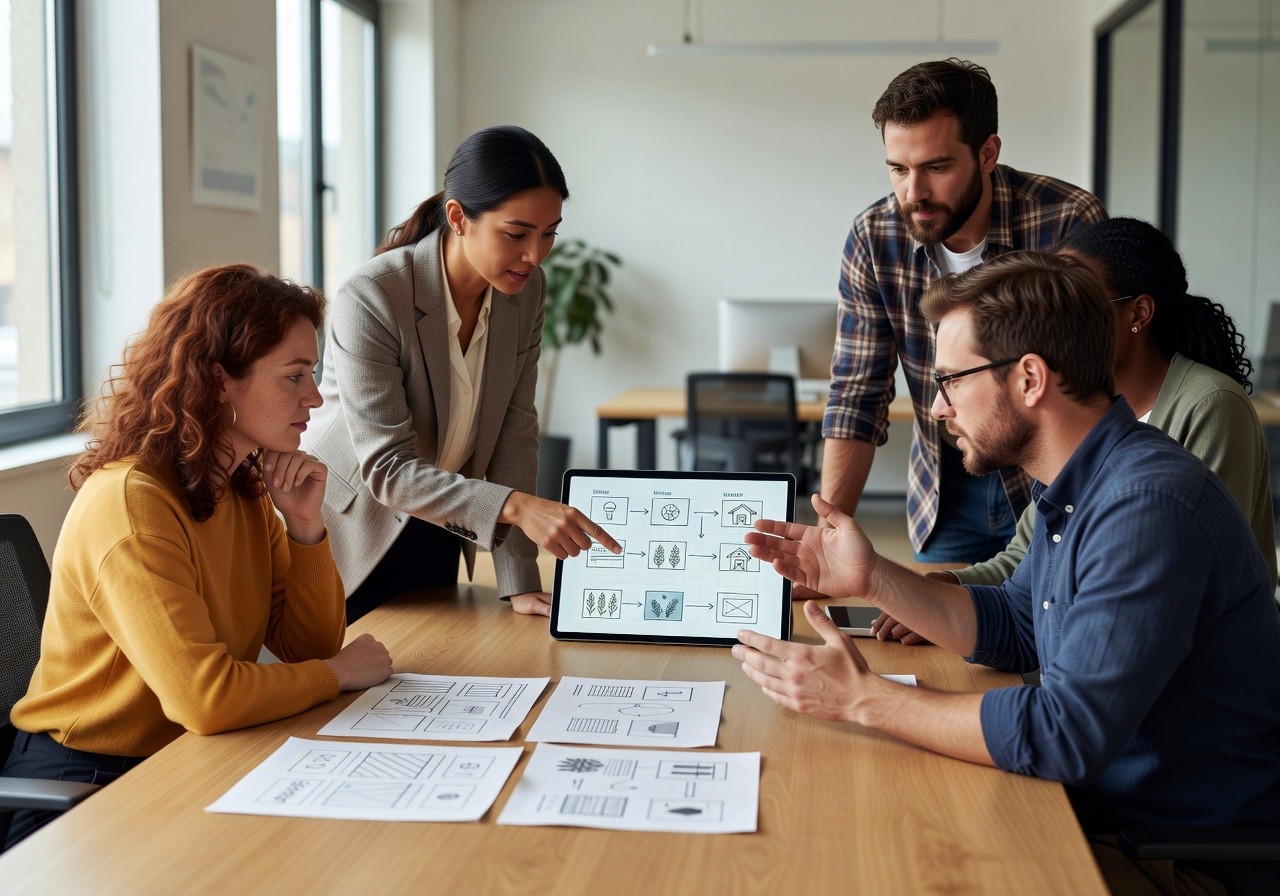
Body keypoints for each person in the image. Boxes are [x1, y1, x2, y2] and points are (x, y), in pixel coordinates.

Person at [736, 252, 1280, 895]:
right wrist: (873, 576)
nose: (938, 410)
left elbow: (1064, 733)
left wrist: (862, 699)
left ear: (1029, 378)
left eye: (951, 382)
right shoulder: (1086, 481)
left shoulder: (1147, 506)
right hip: (1093, 814)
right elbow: (1017, 624)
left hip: (1173, 857)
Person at [2, 265, 393, 849]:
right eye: (295, 376)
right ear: (217, 381)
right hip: (83, 786)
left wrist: (305, 528)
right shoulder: (132, 503)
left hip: (182, 758)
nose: (314, 397)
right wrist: (335, 676)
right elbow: (206, 699)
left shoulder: (242, 485)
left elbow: (307, 648)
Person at [880, 217, 1277, 643]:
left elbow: (1172, 593)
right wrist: (943, 592)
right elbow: (1027, 567)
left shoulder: (1207, 407)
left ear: (1138, 314)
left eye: (1081, 297)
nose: (1062, 312)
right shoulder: (1081, 421)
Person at [306, 125, 620, 622]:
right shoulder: (374, 296)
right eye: (516, 234)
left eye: (549, 233)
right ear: (458, 217)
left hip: (443, 519)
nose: (535, 255)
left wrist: (518, 579)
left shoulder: (526, 293)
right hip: (351, 530)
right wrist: (517, 507)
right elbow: (387, 469)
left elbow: (515, 433)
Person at [820, 58, 1106, 572]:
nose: (914, 193)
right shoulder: (874, 236)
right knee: (938, 647)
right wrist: (825, 540)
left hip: (1055, 482)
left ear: (987, 153)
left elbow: (1091, 382)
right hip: (946, 488)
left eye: (936, 167)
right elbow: (857, 396)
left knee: (1045, 635)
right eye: (898, 169)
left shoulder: (1066, 220)